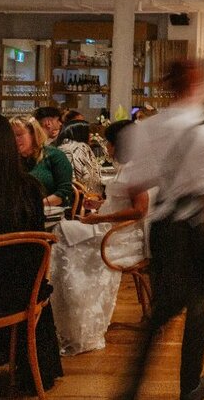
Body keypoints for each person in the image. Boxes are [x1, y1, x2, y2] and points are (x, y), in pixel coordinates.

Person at [118, 60, 204, 400]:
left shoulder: (145, 128)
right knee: (199, 309)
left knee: (161, 313)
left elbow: (134, 187)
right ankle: (189, 387)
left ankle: (129, 388)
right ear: (197, 84)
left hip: (163, 227)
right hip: (197, 228)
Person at [0, 114, 64, 393]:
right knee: (37, 283)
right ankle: (32, 371)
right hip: (17, 296)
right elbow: (36, 248)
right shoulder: (28, 190)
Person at [50, 120, 151, 356]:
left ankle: (77, 325)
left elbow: (140, 210)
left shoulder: (136, 170)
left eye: (109, 142)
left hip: (123, 237)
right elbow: (122, 201)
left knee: (65, 243)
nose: (107, 146)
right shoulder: (128, 167)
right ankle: (65, 322)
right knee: (61, 235)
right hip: (109, 226)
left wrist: (99, 219)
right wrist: (99, 205)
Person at [11, 115, 75, 209]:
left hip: (50, 214)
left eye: (19, 135)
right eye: (11, 136)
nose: (14, 139)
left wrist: (35, 206)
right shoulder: (12, 159)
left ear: (34, 134)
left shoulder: (54, 155)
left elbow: (64, 193)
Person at [56, 119, 102, 195]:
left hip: (66, 194)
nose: (91, 135)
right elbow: (77, 178)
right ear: (79, 133)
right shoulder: (79, 147)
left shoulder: (61, 147)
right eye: (88, 132)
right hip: (79, 196)